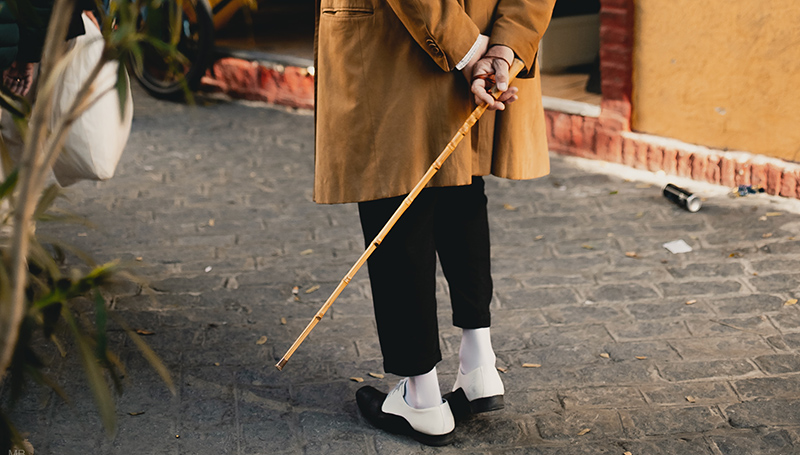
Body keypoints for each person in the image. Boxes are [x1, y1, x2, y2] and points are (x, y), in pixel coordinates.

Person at [313, 0, 556, 446]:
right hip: (480, 25)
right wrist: (502, 50)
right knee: (459, 178)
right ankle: (478, 363)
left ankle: (421, 397)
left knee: (394, 188)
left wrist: (470, 51)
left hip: (398, 33)